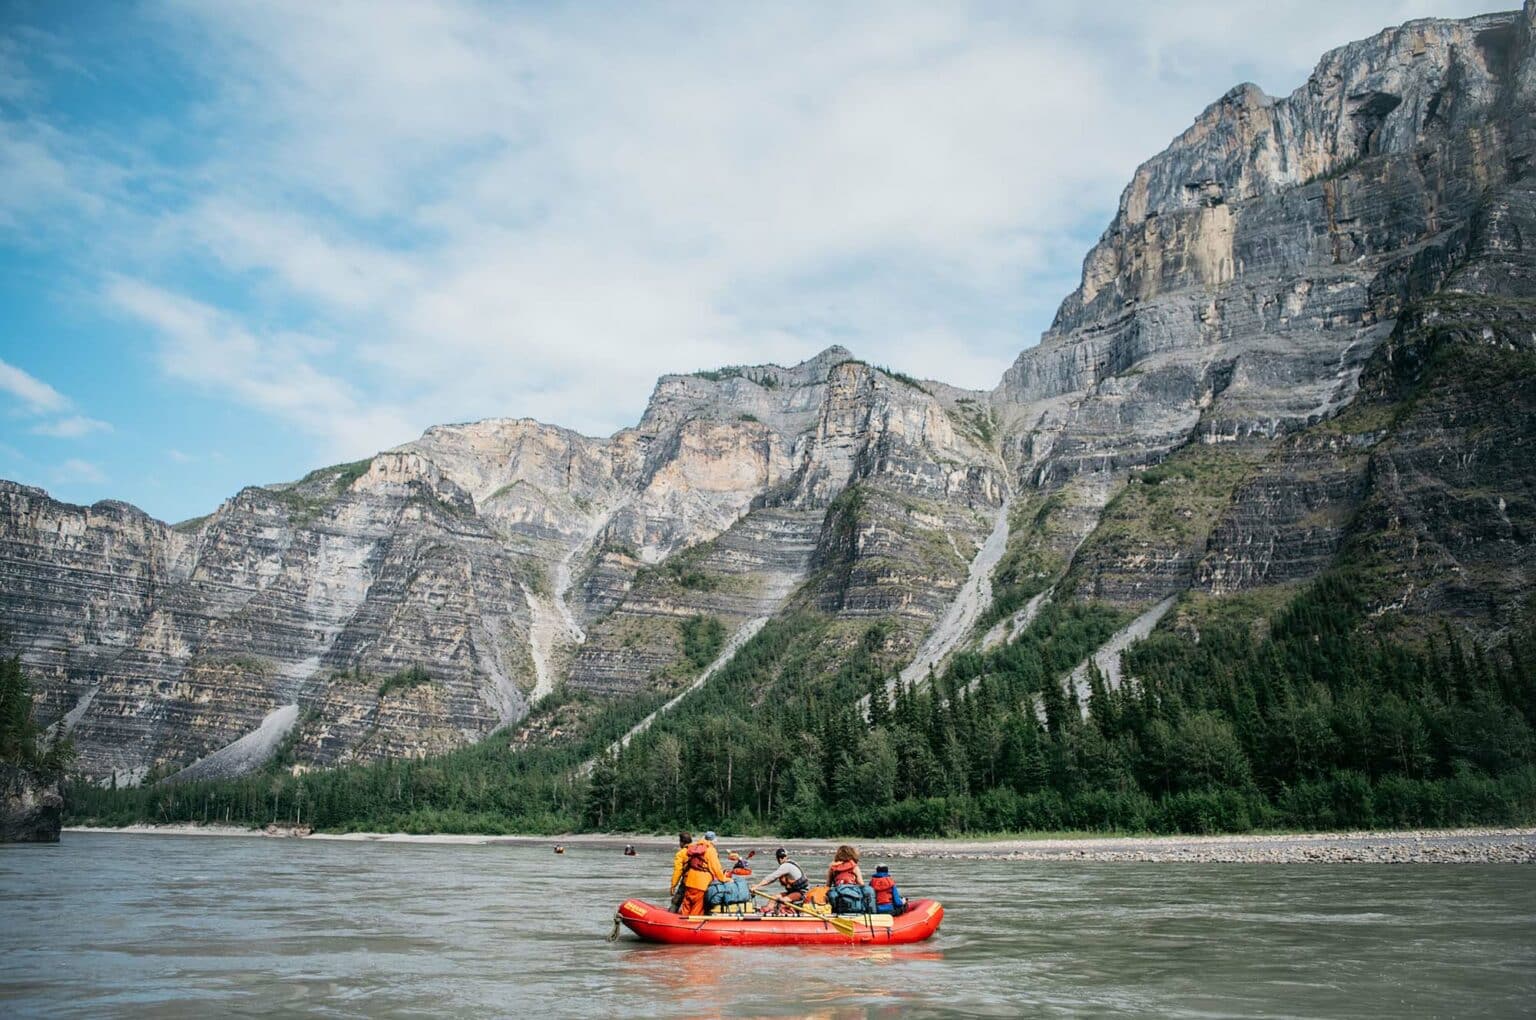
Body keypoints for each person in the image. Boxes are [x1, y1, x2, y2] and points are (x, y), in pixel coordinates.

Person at [670, 830, 728, 916]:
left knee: (684, 905)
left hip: (689, 881)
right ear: (713, 840)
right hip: (701, 884)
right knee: (697, 909)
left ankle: (675, 918)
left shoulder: (694, 848)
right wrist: (724, 879)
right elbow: (716, 868)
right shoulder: (709, 850)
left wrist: (673, 885)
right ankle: (690, 925)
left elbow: (677, 871)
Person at [750, 847, 809, 913]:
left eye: (782, 856)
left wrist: (757, 886)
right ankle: (766, 911)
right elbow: (773, 879)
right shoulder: (788, 865)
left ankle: (783, 912)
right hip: (793, 892)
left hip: (802, 893)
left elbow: (772, 877)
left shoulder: (787, 866)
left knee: (782, 900)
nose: (781, 859)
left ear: (786, 857)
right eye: (779, 857)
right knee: (774, 898)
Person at [826, 844, 872, 915]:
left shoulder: (832, 866)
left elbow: (828, 885)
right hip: (853, 893)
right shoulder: (854, 867)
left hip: (838, 894)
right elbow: (861, 884)